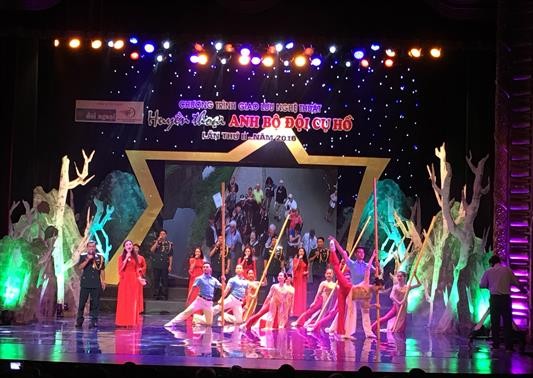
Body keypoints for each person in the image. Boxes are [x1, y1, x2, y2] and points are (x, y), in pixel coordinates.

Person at [480, 254, 527, 350]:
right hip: (506, 299)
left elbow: (482, 285)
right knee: (507, 322)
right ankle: (508, 346)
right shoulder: (507, 270)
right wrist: (523, 290)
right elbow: (516, 282)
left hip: (494, 299)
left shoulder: (488, 272)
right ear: (499, 262)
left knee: (495, 322)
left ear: (491, 263)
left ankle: (496, 344)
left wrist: (491, 285)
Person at [164, 262, 222, 327]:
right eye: (204, 267)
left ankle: (196, 318)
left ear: (210, 269)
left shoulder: (214, 280)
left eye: (207, 267)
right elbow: (192, 289)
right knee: (186, 312)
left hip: (209, 302)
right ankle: (172, 323)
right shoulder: (199, 278)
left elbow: (222, 287)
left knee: (209, 324)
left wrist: (223, 280)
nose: (205, 268)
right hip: (200, 300)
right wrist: (188, 300)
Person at [75, 240, 106, 328]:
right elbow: (80, 267)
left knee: (95, 303)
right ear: (87, 247)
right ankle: (79, 320)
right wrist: (87, 260)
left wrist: (103, 281)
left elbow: (102, 270)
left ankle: (94, 321)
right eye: (90, 246)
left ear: (95, 247)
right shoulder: (83, 256)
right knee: (82, 303)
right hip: (85, 283)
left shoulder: (100, 257)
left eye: (93, 246)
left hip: (96, 283)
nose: (91, 248)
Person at [116, 240, 144, 327]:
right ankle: (123, 322)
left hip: (134, 281)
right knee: (124, 301)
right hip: (125, 280)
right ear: (124, 247)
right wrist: (125, 259)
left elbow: (137, 270)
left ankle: (131, 322)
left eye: (130, 244)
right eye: (127, 244)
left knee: (132, 301)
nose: (129, 246)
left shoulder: (135, 257)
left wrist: (140, 279)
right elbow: (120, 269)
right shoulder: (121, 257)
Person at [150, 229, 174, 300]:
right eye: (161, 234)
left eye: (163, 234)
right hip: (156, 264)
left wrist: (170, 265)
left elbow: (170, 255)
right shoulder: (156, 242)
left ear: (166, 235)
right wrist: (158, 241)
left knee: (164, 280)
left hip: (164, 264)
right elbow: (152, 250)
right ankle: (155, 295)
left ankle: (164, 295)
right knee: (156, 279)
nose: (162, 235)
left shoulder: (169, 244)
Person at [292, 247, 309, 317]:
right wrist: (299, 259)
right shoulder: (295, 259)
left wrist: (306, 272)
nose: (301, 253)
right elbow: (294, 268)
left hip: (303, 279)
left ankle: (302, 312)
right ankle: (295, 312)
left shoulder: (305, 260)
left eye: (302, 251)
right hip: (297, 279)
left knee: (302, 295)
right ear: (298, 252)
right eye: (300, 251)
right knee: (297, 295)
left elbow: (307, 269)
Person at [133, 243, 147, 314]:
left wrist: (141, 269)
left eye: (136, 248)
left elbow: (144, 267)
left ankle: (138, 309)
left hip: (139, 277)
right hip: (132, 277)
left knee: (138, 292)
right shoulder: (130, 257)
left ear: (138, 249)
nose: (135, 249)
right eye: (134, 248)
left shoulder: (141, 258)